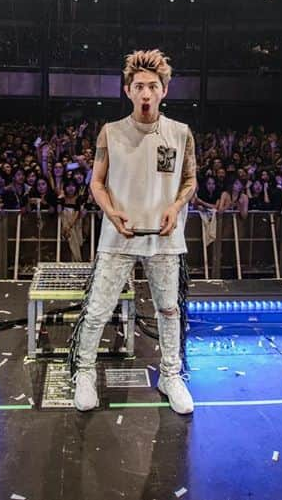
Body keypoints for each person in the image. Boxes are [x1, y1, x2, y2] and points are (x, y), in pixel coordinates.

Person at [69, 49, 197, 414]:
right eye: (139, 85)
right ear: (127, 90)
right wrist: (111, 213)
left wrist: (175, 207)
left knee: (169, 310)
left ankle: (171, 375)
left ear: (164, 91)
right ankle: (84, 372)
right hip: (118, 236)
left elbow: (190, 180)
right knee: (96, 310)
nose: (145, 93)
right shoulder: (110, 133)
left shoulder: (181, 133)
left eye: (152, 86)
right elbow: (96, 183)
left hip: (165, 238)